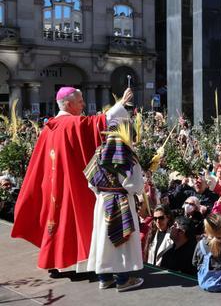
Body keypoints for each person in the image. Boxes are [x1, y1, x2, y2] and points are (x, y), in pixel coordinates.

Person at [12, 87, 132, 271]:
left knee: (57, 221)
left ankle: (55, 263)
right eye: (80, 101)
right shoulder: (70, 124)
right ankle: (73, 264)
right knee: (73, 220)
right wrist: (121, 104)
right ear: (68, 104)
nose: (84, 105)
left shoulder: (51, 126)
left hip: (53, 185)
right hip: (70, 185)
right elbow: (97, 123)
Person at [85, 118, 145, 292]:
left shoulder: (98, 153)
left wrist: (104, 193)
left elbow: (90, 182)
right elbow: (136, 186)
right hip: (122, 202)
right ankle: (123, 280)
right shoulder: (128, 156)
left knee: (103, 239)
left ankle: (104, 278)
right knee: (122, 242)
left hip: (103, 202)